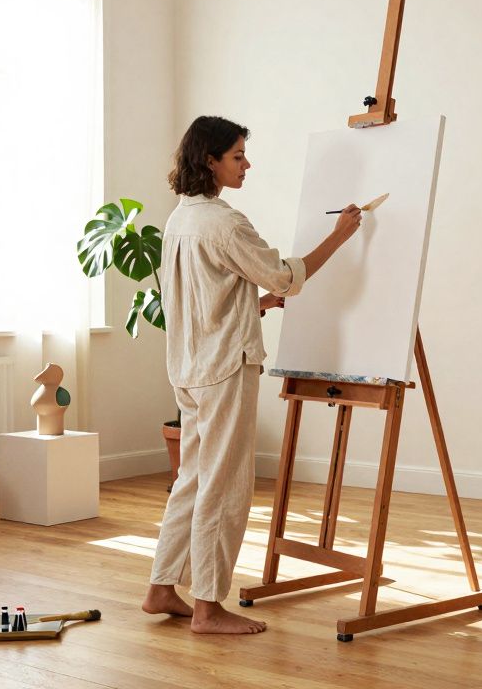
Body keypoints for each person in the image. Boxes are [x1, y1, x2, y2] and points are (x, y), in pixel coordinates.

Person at [141, 116, 363, 634]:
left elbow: (205, 292)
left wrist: (252, 303)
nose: (246, 164)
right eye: (238, 155)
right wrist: (339, 236)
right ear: (210, 160)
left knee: (194, 481)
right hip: (223, 369)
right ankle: (207, 607)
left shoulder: (181, 220)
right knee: (224, 486)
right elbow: (287, 275)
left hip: (191, 368)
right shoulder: (225, 222)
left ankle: (160, 588)